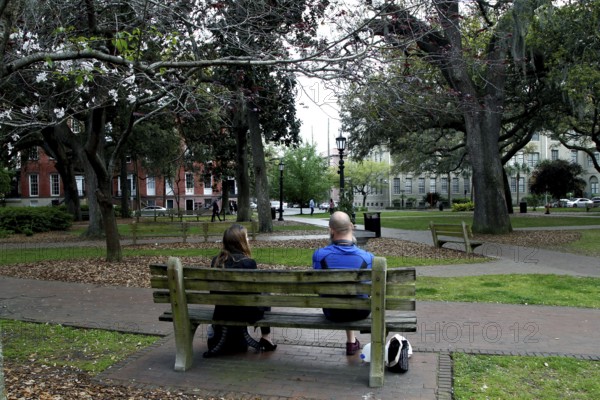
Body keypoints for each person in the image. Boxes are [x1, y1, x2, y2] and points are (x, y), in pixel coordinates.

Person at [204, 224, 277, 357]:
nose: (248, 240)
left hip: (221, 311)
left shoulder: (216, 261)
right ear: (240, 242)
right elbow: (255, 294)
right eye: (247, 237)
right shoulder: (248, 263)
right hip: (245, 313)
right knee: (265, 292)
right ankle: (266, 337)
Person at [312, 211, 374, 356]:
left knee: (342, 295)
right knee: (354, 296)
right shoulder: (368, 257)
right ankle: (352, 342)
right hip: (360, 312)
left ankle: (351, 341)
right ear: (351, 227)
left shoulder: (319, 255)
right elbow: (368, 291)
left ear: (330, 230)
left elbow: (317, 287)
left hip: (332, 311)